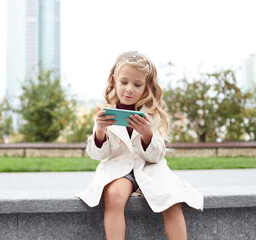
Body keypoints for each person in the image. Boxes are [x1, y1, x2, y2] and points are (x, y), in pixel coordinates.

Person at [76, 51, 203, 240]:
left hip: (149, 167)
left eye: (137, 85)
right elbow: (97, 154)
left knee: (172, 199)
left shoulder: (153, 115)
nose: (129, 89)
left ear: (146, 88)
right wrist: (100, 131)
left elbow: (157, 156)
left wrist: (147, 135)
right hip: (119, 170)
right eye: (124, 82)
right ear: (113, 81)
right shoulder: (106, 114)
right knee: (114, 196)